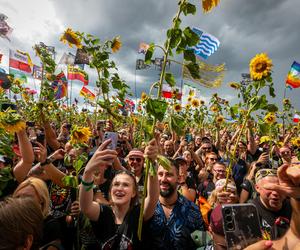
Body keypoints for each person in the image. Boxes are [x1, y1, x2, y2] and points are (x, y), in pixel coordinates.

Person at [79, 138, 159, 249]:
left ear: (134, 192)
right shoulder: (103, 212)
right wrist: (88, 172)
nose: (119, 188)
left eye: (126, 185)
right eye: (116, 184)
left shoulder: (139, 215)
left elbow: (153, 197)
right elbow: (85, 207)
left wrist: (152, 164)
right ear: (110, 190)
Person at [144, 159, 205, 250]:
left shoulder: (192, 210)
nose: (163, 179)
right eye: (160, 174)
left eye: (169, 174)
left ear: (179, 178)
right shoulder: (146, 208)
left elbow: (202, 244)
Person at [13, 177, 62, 248]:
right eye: (18, 197)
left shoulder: (51, 226)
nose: (21, 201)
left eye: (28, 197)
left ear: (42, 200)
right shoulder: (10, 221)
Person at [250, 168, 292, 240]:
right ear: (257, 188)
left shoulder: (294, 206)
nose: (275, 192)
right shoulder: (249, 211)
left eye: (279, 187)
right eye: (269, 188)